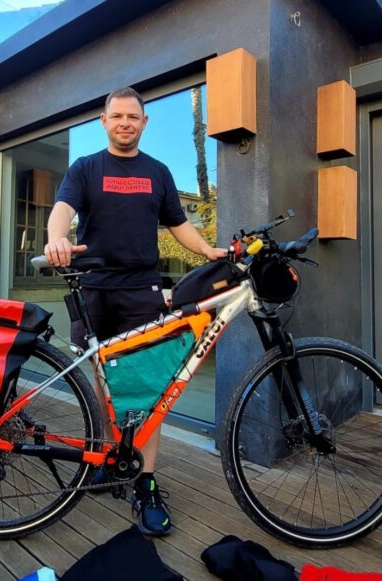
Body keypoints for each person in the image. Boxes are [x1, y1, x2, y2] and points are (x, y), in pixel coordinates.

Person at [44, 87, 227, 536]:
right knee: (105, 384)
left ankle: (145, 482)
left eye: (133, 116)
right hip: (94, 291)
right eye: (117, 116)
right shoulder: (85, 168)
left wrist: (207, 251)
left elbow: (179, 224)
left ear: (144, 123)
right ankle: (113, 460)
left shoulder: (158, 172)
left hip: (142, 291)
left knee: (147, 390)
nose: (125, 123)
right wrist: (56, 238)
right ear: (104, 121)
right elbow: (62, 210)